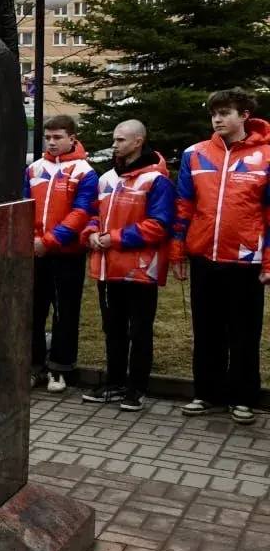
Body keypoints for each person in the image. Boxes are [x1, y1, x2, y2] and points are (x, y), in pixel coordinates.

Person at [173, 89, 270, 425]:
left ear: (244, 115)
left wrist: (269, 261)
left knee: (244, 332)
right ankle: (206, 393)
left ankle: (243, 398)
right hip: (204, 257)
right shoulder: (195, 154)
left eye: (225, 112)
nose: (217, 119)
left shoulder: (267, 155)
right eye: (214, 113)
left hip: (246, 261)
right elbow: (183, 206)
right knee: (207, 329)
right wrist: (178, 252)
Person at [80, 120, 175, 412]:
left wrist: (114, 238)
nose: (115, 144)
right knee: (114, 330)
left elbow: (159, 225)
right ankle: (114, 382)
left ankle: (137, 388)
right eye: (114, 139)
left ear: (138, 141)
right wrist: (92, 233)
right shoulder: (106, 178)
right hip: (108, 268)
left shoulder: (157, 181)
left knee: (140, 331)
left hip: (141, 269)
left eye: (121, 140)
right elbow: (95, 214)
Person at [23, 115, 97, 393]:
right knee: (33, 310)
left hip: (67, 253)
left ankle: (60, 369)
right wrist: (31, 240)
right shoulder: (34, 169)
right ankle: (34, 367)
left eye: (58, 137)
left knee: (65, 312)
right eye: (48, 137)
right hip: (34, 251)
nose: (52, 143)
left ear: (72, 138)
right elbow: (24, 204)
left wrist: (49, 241)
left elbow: (81, 212)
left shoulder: (84, 171)